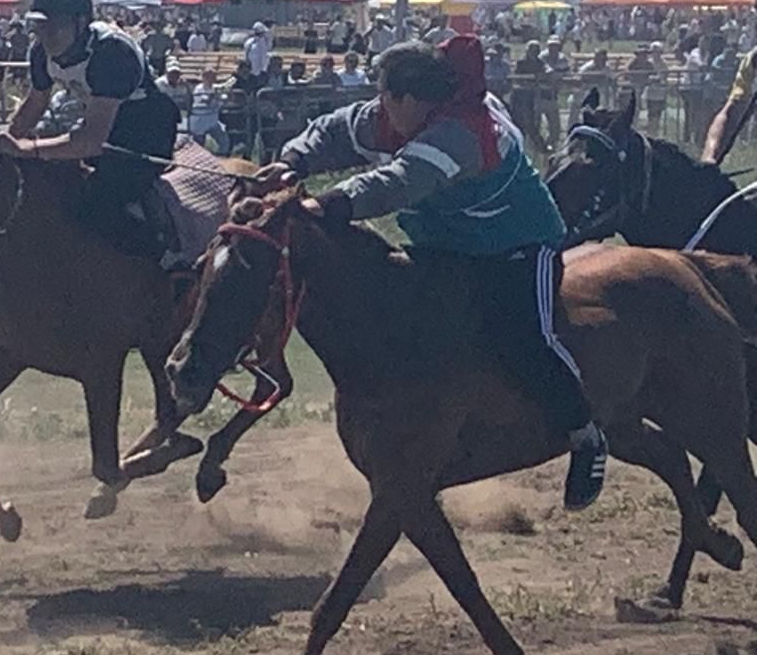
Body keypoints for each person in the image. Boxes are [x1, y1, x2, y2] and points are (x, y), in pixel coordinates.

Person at [259, 38, 607, 511]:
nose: (378, 106)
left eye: (385, 97)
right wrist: (292, 161)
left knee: (527, 338)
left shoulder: (462, 133)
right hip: (446, 247)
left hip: (518, 247)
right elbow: (332, 132)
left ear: (411, 99)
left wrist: (329, 203)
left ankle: (584, 433)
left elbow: (400, 182)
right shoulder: (393, 113)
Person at [0, 0, 180, 262]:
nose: (45, 35)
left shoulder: (111, 53)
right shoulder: (40, 51)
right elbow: (36, 102)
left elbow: (91, 141)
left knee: (98, 204)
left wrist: (26, 149)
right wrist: (5, 138)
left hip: (146, 129)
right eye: (40, 26)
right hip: (101, 119)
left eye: (55, 26)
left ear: (81, 22)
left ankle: (162, 258)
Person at [188, 66, 229, 153]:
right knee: (198, 147)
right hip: (199, 122)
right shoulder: (199, 89)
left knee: (224, 142)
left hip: (212, 121)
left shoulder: (215, 88)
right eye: (208, 76)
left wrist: (223, 97)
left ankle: (221, 158)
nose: (211, 79)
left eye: (213, 76)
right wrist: (216, 95)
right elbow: (206, 100)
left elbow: (222, 100)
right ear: (203, 77)